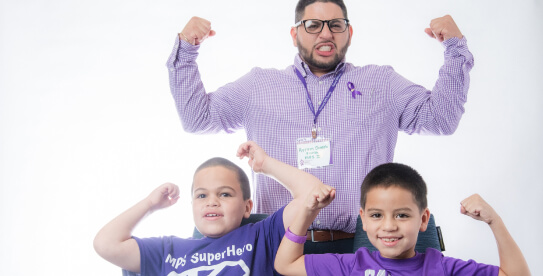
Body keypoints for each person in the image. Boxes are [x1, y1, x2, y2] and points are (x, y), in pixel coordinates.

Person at [168, 0, 474, 253]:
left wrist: (455, 50)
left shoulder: (381, 83)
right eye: (313, 25)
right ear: (294, 34)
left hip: (360, 246)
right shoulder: (258, 86)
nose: (325, 33)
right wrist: (186, 52)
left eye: (335, 25)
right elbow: (197, 118)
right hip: (281, 246)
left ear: (349, 32)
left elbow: (441, 119)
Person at [93, 141, 335, 275]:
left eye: (225, 194)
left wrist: (265, 165)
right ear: (192, 205)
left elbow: (313, 194)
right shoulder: (169, 250)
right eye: (201, 195)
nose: (212, 201)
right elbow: (106, 245)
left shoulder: (262, 235)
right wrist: (150, 204)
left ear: (247, 207)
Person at [274, 163, 531, 275]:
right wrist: (307, 211)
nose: (389, 226)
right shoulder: (353, 265)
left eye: (402, 215)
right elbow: (286, 264)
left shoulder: (440, 267)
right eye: (376, 215)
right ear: (363, 220)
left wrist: (494, 221)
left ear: (423, 219)